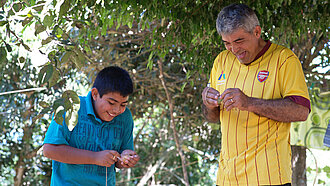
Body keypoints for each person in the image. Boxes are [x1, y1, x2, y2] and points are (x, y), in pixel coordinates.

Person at [202, 3, 310, 186]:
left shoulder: (284, 60)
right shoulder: (221, 61)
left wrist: (249, 103)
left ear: (257, 32)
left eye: (239, 41)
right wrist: (209, 104)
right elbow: (212, 117)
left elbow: (301, 111)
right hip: (227, 178)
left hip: (269, 177)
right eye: (227, 43)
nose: (234, 50)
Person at [43, 66, 140, 185]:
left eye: (123, 104)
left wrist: (126, 158)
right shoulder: (70, 107)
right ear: (95, 94)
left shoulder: (125, 117)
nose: (116, 110)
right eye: (111, 103)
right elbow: (49, 150)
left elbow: (120, 158)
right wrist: (95, 157)